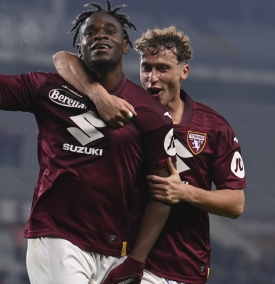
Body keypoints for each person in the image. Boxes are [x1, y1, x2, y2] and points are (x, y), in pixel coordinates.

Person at [0, 0, 176, 283]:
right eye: (90, 32)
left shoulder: (150, 111)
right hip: (58, 236)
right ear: (80, 47)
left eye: (110, 31)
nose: (100, 36)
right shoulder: (47, 88)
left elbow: (164, 193)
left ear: (126, 45)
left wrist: (137, 260)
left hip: (117, 247)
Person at [54, 26, 246, 284]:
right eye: (146, 68)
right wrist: (97, 93)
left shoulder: (214, 127)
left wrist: (183, 192)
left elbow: (236, 204)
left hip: (183, 265)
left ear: (184, 72)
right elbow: (63, 59)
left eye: (163, 68)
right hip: (122, 258)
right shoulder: (122, 112)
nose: (152, 78)